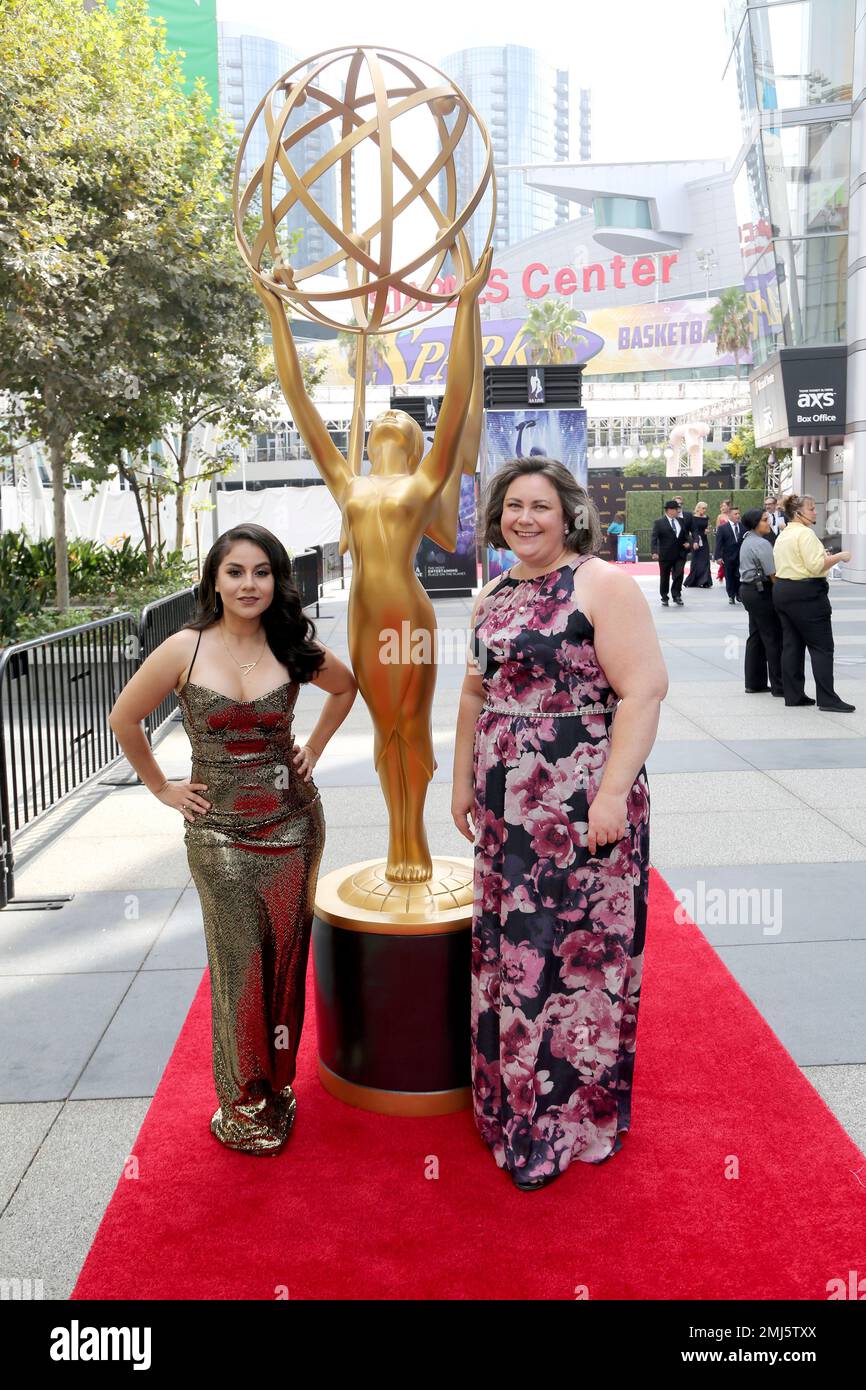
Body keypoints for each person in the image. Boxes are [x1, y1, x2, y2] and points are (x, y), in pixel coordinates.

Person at [451, 457, 667, 1191]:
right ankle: (509, 1106)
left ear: (568, 513)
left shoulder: (601, 584)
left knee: (575, 959)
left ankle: (569, 1120)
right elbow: (473, 696)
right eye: (513, 506)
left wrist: (611, 796)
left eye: (540, 505)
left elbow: (643, 692)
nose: (525, 518)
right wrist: (460, 783)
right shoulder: (493, 595)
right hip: (506, 801)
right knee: (512, 949)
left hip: (580, 804)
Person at [109, 524, 357, 1154]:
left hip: (296, 823)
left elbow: (346, 686)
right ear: (213, 581)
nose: (249, 584)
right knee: (241, 965)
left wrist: (316, 746)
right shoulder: (184, 649)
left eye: (262, 572)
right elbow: (124, 718)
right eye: (235, 572)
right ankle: (244, 1100)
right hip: (218, 834)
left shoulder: (292, 644)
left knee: (286, 961)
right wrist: (163, 788)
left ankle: (278, 1084)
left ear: (278, 581)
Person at [772, 494, 855, 712]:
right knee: (822, 647)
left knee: (792, 645)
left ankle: (793, 694)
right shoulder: (805, 534)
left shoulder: (784, 534)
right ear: (798, 513)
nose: (815, 512)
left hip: (783, 589)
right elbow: (816, 566)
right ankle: (827, 698)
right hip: (806, 593)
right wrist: (840, 556)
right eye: (811, 509)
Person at [738, 509, 784, 696]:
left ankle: (754, 682)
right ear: (755, 524)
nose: (768, 523)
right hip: (760, 591)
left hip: (749, 591)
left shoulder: (748, 539)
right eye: (765, 520)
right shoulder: (761, 543)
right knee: (772, 637)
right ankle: (779, 685)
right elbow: (773, 575)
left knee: (756, 636)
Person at [651, 497, 692, 606]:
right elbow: (654, 538)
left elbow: (686, 535)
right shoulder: (659, 522)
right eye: (675, 509)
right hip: (665, 554)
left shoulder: (681, 521)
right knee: (664, 576)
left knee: (679, 574)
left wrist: (688, 542)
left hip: (680, 553)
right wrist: (654, 552)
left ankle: (676, 595)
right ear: (669, 510)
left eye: (678, 509)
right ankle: (664, 596)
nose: (678, 511)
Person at [714, 505, 743, 604]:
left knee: (739, 576)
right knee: (729, 576)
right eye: (735, 514)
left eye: (739, 513)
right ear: (729, 515)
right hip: (728, 557)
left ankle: (739, 594)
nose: (738, 516)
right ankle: (731, 595)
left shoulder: (743, 527)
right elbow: (719, 543)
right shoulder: (723, 528)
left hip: (740, 556)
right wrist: (718, 556)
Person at [683, 499, 712, 588]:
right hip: (695, 541)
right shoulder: (692, 517)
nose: (704, 510)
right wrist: (692, 539)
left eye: (705, 508)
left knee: (705, 561)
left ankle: (705, 581)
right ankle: (694, 581)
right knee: (696, 561)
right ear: (698, 508)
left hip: (704, 541)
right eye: (703, 508)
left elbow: (708, 528)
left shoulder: (706, 517)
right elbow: (690, 529)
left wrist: (708, 530)